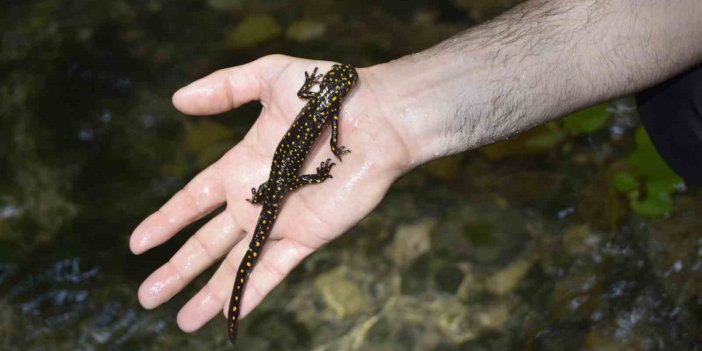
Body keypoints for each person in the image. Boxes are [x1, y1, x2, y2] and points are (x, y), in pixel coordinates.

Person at [129, 0, 702, 334]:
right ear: (330, 90)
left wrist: (327, 163)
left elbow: (323, 127)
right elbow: (327, 131)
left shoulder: (321, 109)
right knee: (261, 231)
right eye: (338, 82)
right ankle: (233, 309)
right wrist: (344, 150)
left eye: (337, 82)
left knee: (264, 225)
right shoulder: (324, 111)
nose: (338, 81)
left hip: (279, 184)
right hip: (681, 114)